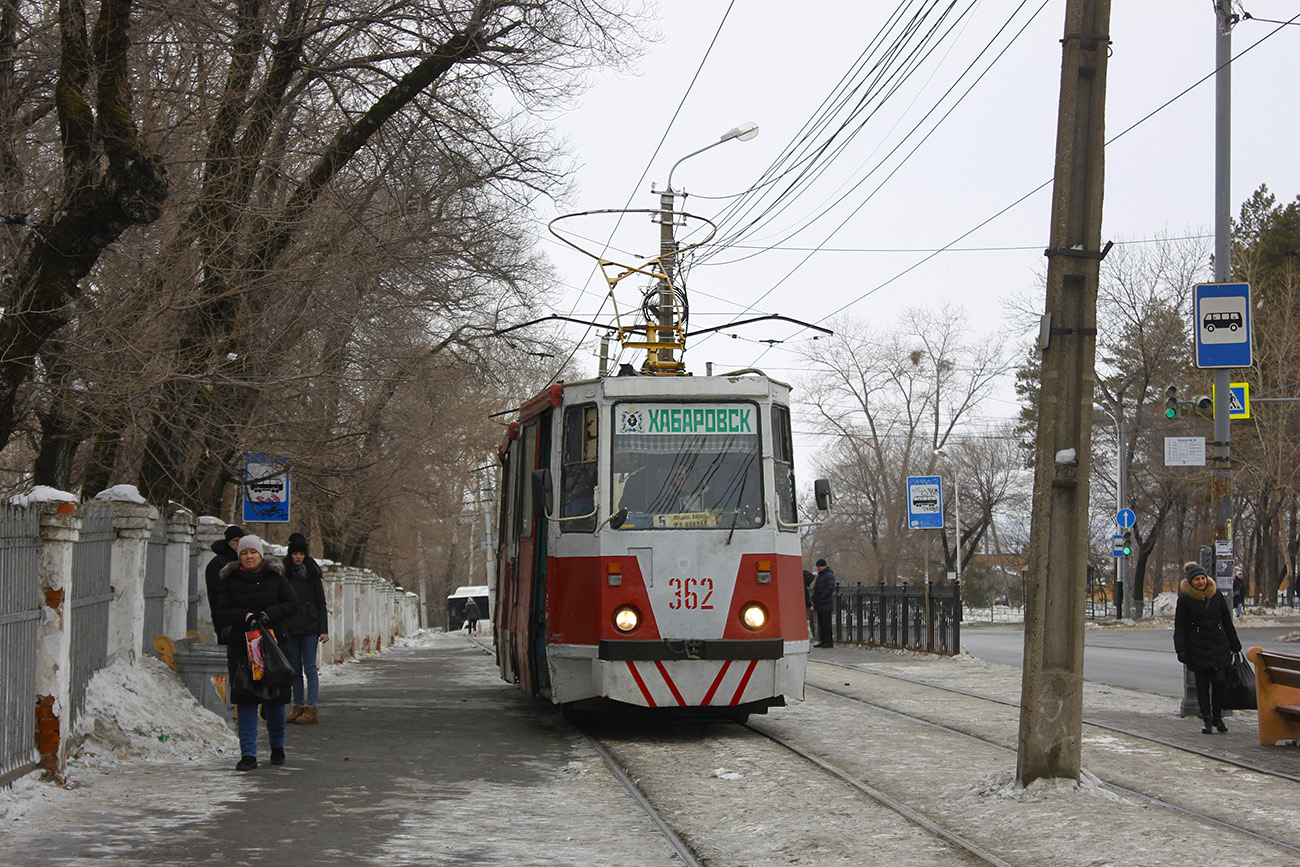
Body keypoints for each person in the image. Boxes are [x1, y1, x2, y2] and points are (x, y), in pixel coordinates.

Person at [214, 535, 298, 770]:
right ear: (239, 557)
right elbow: (221, 612)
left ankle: (277, 747)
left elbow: (292, 604)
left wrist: (268, 614)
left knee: (275, 700)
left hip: (275, 646)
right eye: (243, 553)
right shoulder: (230, 580)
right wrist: (245, 616)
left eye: (252, 552)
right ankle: (248, 754)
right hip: (243, 649)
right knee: (246, 699)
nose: (248, 557)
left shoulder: (276, 577)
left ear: (260, 555)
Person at [1173, 561, 1242, 734]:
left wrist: (1235, 644)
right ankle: (1207, 719)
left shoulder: (1216, 595)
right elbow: (1180, 626)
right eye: (1197, 579)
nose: (1201, 582)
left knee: (1219, 681)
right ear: (1191, 582)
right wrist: (1180, 649)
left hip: (1219, 646)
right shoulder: (1185, 599)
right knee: (1201, 685)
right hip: (1197, 648)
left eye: (1203, 578)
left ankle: (1217, 716)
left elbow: (1227, 621)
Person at [281, 533, 329, 726]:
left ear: (306, 554)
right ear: (290, 555)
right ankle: (297, 706)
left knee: (310, 668)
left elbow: (321, 603)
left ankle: (312, 708)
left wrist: (323, 630)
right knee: (294, 669)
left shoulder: (312, 574)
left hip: (310, 626)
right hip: (291, 626)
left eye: (301, 553)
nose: (298, 557)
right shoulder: (284, 574)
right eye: (295, 553)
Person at [204, 525, 244, 643]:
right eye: (235, 541)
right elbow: (215, 594)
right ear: (228, 542)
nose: (238, 544)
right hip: (227, 622)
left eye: (241, 540)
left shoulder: (243, 560)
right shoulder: (218, 564)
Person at [811, 558, 836, 648]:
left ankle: (828, 641)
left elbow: (830, 588)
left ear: (823, 566)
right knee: (821, 623)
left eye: (819, 566)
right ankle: (823, 640)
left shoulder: (828, 575)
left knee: (826, 623)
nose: (818, 568)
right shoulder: (822, 576)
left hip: (825, 603)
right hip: (821, 603)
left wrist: (820, 597)